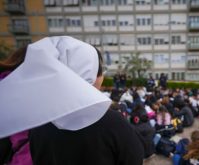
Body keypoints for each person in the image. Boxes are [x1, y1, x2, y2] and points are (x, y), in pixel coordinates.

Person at [0, 36, 144, 165]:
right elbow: (133, 158)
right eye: (100, 71)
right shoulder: (113, 122)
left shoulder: (40, 119)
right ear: (90, 73)